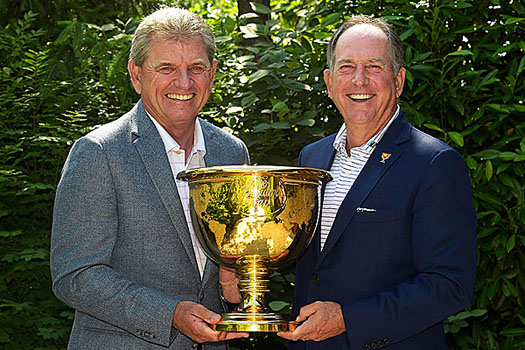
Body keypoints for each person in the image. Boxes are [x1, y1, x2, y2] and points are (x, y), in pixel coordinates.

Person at [50, 8, 249, 349]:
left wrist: (232, 292)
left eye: (196, 69)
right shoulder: (100, 152)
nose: (184, 83)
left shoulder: (232, 153)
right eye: (167, 68)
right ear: (136, 75)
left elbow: (224, 271)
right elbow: (75, 275)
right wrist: (170, 313)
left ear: (212, 73)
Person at [278, 14, 477, 350]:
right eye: (346, 67)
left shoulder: (433, 163)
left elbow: (449, 285)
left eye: (374, 66)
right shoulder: (311, 159)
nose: (359, 80)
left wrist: (347, 319)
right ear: (329, 81)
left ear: (398, 81)